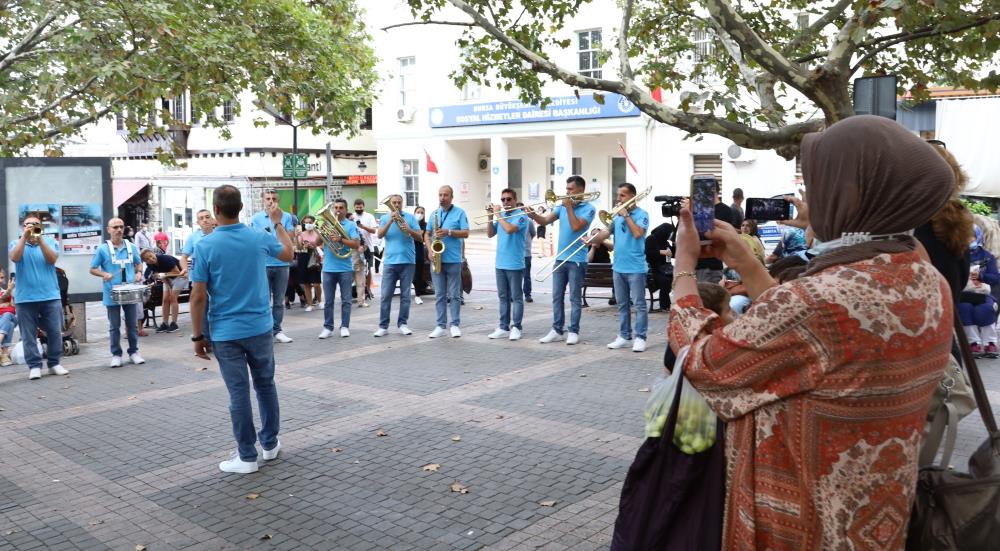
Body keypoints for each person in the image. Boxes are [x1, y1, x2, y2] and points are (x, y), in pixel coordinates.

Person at [667, 115, 955, 549]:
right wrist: (747, 263)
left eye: (819, 181)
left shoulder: (820, 298)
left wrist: (684, 269)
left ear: (855, 192)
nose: (806, 196)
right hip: (878, 511)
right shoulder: (922, 272)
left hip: (802, 521)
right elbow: (804, 343)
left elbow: (705, 365)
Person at [190, 184, 293, 474]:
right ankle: (270, 444)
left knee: (238, 393)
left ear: (216, 210)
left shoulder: (205, 245)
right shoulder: (258, 236)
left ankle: (246, 456)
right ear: (241, 209)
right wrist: (277, 223)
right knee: (265, 385)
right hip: (260, 326)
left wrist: (198, 336)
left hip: (225, 331)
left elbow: (198, 295)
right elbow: (288, 253)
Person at [527, 175, 596, 345]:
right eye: (566, 189)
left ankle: (573, 331)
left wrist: (569, 208)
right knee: (556, 296)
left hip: (577, 260)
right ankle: (557, 330)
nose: (566, 192)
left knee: (574, 298)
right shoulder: (562, 207)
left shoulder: (590, 208)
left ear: (580, 190)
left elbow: (576, 226)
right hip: (560, 258)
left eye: (570, 189)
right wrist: (533, 215)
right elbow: (545, 220)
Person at [591, 183, 650, 352]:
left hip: (636, 268)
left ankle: (641, 337)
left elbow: (638, 233)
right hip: (618, 267)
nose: (618, 199)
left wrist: (626, 216)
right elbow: (605, 233)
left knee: (639, 304)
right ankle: (624, 335)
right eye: (618, 195)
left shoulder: (642, 214)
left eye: (622, 196)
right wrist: (592, 239)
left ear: (632, 196)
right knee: (622, 304)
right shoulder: (616, 217)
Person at [8, 213, 67, 380]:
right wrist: (24, 238)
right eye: (28, 224)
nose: (32, 226)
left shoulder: (49, 241)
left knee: (55, 332)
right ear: (23, 227)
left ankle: (54, 363)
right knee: (28, 334)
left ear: (41, 227)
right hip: (25, 298)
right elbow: (15, 257)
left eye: (35, 224)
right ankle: (34, 366)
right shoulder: (15, 243)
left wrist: (39, 239)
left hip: (50, 296)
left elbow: (51, 259)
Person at [90, 218, 146, 367]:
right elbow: (93, 268)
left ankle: (134, 352)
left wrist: (139, 273)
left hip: (129, 290)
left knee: (132, 324)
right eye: (115, 227)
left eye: (121, 227)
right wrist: (104, 274)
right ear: (109, 230)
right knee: (114, 326)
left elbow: (138, 263)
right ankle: (116, 354)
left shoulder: (131, 246)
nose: (119, 230)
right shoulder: (102, 249)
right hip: (111, 292)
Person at [249, 189, 295, 344]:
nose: (271, 201)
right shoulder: (256, 218)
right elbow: (253, 239)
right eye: (268, 198)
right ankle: (264, 330)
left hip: (282, 263)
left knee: (279, 300)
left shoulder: (286, 216)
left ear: (278, 200)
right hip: (263, 263)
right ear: (263, 200)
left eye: (274, 198)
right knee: (263, 299)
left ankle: (277, 330)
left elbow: (290, 237)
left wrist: (278, 223)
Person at [374, 194, 421, 337]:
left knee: (405, 295)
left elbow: (419, 237)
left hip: (407, 261)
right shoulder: (384, 218)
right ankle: (383, 326)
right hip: (390, 262)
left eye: (398, 202)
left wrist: (409, 229)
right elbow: (380, 235)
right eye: (393, 202)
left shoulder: (410, 217)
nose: (396, 205)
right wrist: (389, 222)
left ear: (403, 204)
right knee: (385, 295)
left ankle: (403, 324)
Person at [427, 185, 470, 338]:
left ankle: (455, 325)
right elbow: (427, 234)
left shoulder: (460, 213)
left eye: (445, 195)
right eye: (440, 195)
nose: (442, 198)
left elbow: (466, 233)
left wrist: (449, 232)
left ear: (451, 197)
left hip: (453, 259)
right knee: (439, 294)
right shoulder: (434, 214)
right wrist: (430, 250)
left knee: (454, 295)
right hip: (437, 259)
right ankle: (440, 325)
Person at [486, 188, 528, 340]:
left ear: (515, 200)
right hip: (500, 263)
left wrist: (497, 215)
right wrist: (491, 217)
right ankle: (503, 326)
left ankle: (516, 327)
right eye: (503, 200)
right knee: (503, 297)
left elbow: (510, 229)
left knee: (516, 297)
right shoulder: (502, 215)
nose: (505, 202)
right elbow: (490, 233)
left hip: (515, 264)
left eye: (509, 199)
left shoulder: (522, 216)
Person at [318, 199, 360, 339]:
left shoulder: (350, 225)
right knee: (328, 301)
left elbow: (355, 244)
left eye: (341, 207)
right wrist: (322, 230)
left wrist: (340, 239)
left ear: (346, 209)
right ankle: (327, 327)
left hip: (345, 268)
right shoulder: (327, 224)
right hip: (328, 268)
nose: (337, 210)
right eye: (335, 207)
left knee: (346, 300)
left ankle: (344, 326)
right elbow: (318, 243)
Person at [960, 225, 998, 354]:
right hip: (964, 294)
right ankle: (973, 343)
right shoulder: (958, 256)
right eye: (965, 237)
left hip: (983, 293)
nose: (969, 240)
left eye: (972, 237)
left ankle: (990, 343)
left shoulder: (987, 257)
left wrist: (981, 276)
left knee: (985, 309)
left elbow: (995, 278)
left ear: (978, 237)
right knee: (964, 308)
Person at [179, 209, 216, 341]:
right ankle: (205, 339)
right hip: (199, 279)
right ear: (198, 222)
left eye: (207, 217)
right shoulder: (194, 237)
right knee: (202, 309)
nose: (205, 220)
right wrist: (185, 270)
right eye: (201, 218)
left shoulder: (219, 234)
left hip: (217, 278)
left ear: (212, 219)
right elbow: (183, 257)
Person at [694, 181, 733, 283]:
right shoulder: (699, 210)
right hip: (701, 263)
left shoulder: (726, 210)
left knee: (713, 296)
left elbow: (723, 239)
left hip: (715, 263)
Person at [141, 249, 183, 332]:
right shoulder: (150, 265)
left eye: (150, 256)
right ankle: (165, 323)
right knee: (165, 299)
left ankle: (174, 324)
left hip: (181, 276)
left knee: (173, 297)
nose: (150, 259)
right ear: (145, 261)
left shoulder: (164, 259)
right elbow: (160, 276)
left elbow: (177, 272)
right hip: (168, 279)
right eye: (147, 259)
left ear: (153, 253)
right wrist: (167, 284)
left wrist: (163, 275)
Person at [352, 199, 378, 303]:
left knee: (368, 269)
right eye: (357, 207)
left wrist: (363, 227)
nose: (359, 209)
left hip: (368, 246)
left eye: (360, 207)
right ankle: (358, 290)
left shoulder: (369, 216)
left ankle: (368, 289)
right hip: (355, 248)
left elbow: (374, 230)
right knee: (356, 270)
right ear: (354, 207)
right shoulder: (352, 217)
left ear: (364, 206)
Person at [296, 215, 323, 311]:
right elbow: (299, 248)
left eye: (310, 222)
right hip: (304, 257)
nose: (308, 224)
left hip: (314, 257)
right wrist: (297, 237)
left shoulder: (318, 233)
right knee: (306, 283)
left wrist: (314, 246)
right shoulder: (301, 234)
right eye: (306, 222)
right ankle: (309, 304)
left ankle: (320, 301)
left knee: (316, 282)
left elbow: (322, 245)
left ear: (314, 223)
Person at [517, 202, 536, 303]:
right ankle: (515, 294)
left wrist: (527, 243)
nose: (520, 211)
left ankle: (527, 294)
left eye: (522, 209)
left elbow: (533, 234)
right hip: (516, 254)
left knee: (526, 276)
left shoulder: (529, 221)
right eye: (519, 209)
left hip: (526, 253)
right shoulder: (513, 220)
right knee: (515, 276)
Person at [412, 206, 431, 297]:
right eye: (418, 212)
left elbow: (422, 238)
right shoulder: (410, 223)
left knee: (419, 273)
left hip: (419, 251)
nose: (419, 214)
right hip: (410, 250)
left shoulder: (425, 225)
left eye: (422, 213)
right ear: (414, 213)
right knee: (412, 273)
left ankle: (418, 293)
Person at [0, 269, 17, 366]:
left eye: (2, 277)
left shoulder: (4, 291)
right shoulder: (7, 291)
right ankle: (4, 354)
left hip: (8, 316)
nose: (0, 280)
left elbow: (12, 308)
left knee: (8, 315)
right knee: (9, 323)